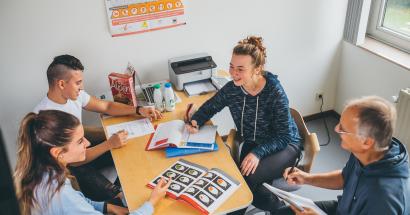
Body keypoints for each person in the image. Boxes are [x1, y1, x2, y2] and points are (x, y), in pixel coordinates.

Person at [186, 36, 302, 213]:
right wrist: (196, 121)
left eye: (240, 69)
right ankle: (282, 210)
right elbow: (212, 105)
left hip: (284, 145)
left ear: (257, 69)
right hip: (253, 142)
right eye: (232, 66)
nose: (233, 73)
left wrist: (258, 153)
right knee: (240, 179)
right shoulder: (233, 88)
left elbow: (284, 136)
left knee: (247, 179)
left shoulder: (274, 91)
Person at [33, 54, 163, 202]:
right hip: (68, 167)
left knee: (129, 149)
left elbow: (106, 106)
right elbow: (74, 160)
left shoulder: (74, 95)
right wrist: (109, 144)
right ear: (61, 84)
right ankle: (117, 197)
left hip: (79, 153)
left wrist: (138, 110)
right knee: (115, 194)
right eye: (78, 83)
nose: (82, 87)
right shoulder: (45, 117)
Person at [14, 110, 171, 215]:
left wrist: (109, 207)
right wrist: (151, 202)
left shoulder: (44, 172)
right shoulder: (61, 194)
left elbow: (79, 202)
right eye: (80, 141)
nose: (88, 143)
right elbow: (72, 202)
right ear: (58, 153)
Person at [280, 96, 410, 215]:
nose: (336, 129)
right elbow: (345, 177)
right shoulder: (365, 152)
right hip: (345, 209)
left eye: (343, 129)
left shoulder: (384, 198)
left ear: (366, 141)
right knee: (283, 213)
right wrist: (306, 178)